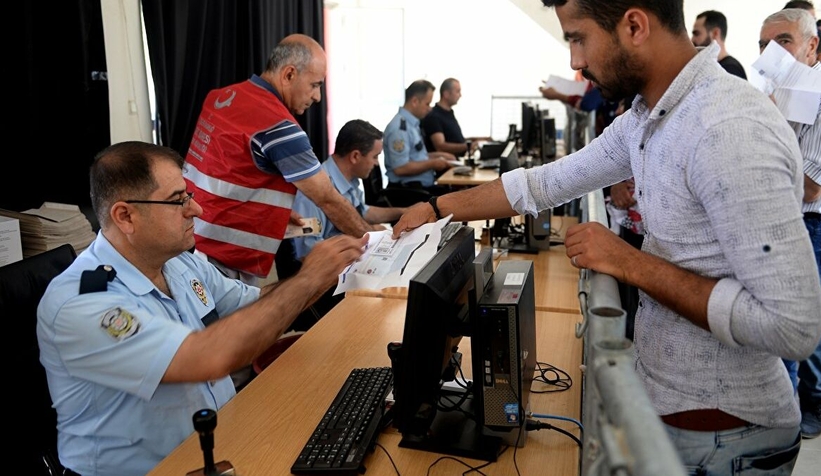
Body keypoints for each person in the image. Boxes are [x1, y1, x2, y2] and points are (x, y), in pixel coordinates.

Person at [394, 0, 821, 473]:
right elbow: (544, 183)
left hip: (726, 439)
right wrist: (436, 208)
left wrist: (628, 262)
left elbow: (793, 327)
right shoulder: (648, 116)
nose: (574, 62)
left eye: (578, 38)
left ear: (634, 26)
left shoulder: (728, 126)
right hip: (674, 416)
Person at [36, 141, 365, 476]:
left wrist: (325, 272)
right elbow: (207, 358)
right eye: (179, 200)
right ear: (126, 216)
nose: (196, 210)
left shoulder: (180, 264)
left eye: (189, 196)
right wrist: (307, 279)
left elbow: (258, 304)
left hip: (220, 448)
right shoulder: (82, 304)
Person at [183, 33, 375, 287]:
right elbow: (328, 199)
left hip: (189, 241)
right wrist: (375, 241)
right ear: (288, 75)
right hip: (223, 260)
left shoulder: (221, 97)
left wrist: (271, 211)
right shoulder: (279, 126)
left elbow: (229, 169)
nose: (317, 97)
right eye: (315, 85)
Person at [760, 7, 821, 440]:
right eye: (764, 45)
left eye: (783, 41)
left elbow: (810, 187)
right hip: (779, 222)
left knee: (804, 325)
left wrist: (770, 127)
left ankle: (808, 404)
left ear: (811, 46)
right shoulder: (772, 92)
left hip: (810, 225)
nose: (770, 53)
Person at [291, 119, 406, 261]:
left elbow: (363, 211)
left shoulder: (349, 179)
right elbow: (308, 252)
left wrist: (403, 212)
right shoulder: (313, 192)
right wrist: (365, 238)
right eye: (375, 156)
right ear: (355, 156)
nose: (376, 163)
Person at [383, 79, 456, 196]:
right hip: (409, 192)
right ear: (415, 101)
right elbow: (400, 168)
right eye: (427, 104)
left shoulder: (412, 124)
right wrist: (433, 163)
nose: (430, 108)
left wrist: (441, 156)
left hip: (421, 187)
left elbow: (416, 157)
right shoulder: (399, 129)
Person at [420, 78, 490, 156]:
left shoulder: (448, 113)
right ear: (446, 94)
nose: (460, 95)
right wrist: (469, 146)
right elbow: (440, 146)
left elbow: (456, 140)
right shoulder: (434, 116)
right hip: (447, 165)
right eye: (457, 91)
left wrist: (479, 139)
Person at [690, 10, 748, 79]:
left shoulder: (730, 70)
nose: (692, 40)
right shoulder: (716, 68)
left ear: (715, 33)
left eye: (696, 34)